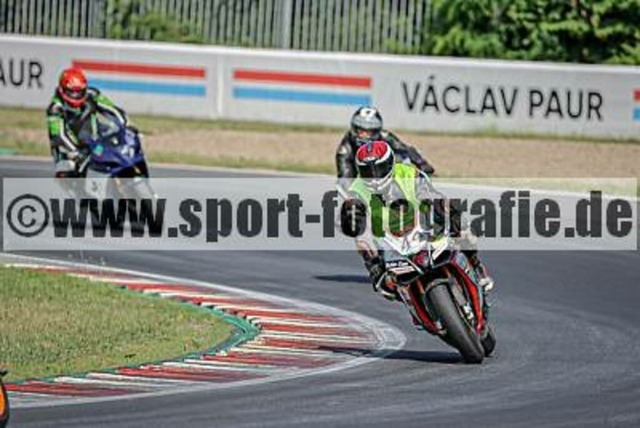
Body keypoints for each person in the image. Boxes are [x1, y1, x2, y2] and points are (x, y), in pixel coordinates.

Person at [340, 140, 494, 302]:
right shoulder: (356, 190)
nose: (374, 177)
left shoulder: (408, 173)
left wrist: (441, 214)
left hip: (421, 222)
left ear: (390, 163)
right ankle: (376, 272)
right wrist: (351, 218)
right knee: (362, 240)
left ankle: (475, 265)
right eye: (368, 171)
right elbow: (353, 225)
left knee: (447, 208)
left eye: (378, 169)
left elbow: (430, 194)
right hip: (388, 237)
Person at [47, 67, 130, 180]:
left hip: (94, 142)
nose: (76, 95)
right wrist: (76, 153)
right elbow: (59, 136)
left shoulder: (92, 94)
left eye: (79, 92)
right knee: (67, 169)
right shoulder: (55, 108)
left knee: (116, 155)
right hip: (68, 150)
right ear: (62, 89)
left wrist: (126, 125)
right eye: (72, 92)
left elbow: (112, 109)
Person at [335, 106, 435, 179]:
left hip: (386, 175)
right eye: (361, 131)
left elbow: (405, 149)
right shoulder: (345, 148)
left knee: (400, 157)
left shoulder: (385, 136)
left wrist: (422, 164)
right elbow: (345, 176)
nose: (364, 136)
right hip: (362, 181)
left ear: (376, 131)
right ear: (354, 129)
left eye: (369, 132)